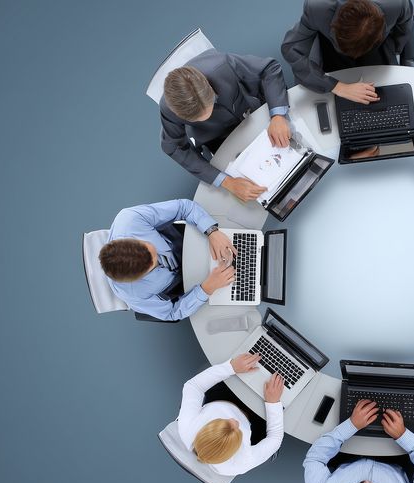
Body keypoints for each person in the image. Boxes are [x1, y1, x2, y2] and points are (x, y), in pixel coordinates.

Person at [159, 50, 291, 202]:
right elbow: (174, 148)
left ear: (210, 87)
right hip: (216, 140)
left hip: (251, 114)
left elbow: (268, 69)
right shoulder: (167, 109)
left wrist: (278, 116)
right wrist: (228, 183)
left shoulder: (222, 65)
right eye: (199, 118)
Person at [100, 199, 235, 321]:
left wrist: (211, 231)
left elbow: (184, 207)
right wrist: (206, 289)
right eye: (153, 265)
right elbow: (172, 313)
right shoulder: (133, 296)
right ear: (138, 278)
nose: (156, 253)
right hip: (192, 283)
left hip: (192, 241)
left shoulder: (129, 220)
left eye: (148, 246)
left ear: (130, 239)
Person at [282, 0, 414, 103]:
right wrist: (337, 87)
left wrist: (405, 67)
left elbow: (406, 27)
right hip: (330, 49)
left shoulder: (396, 4)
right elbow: (290, 48)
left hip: (376, 47)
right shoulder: (317, 7)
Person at [178, 353, 285, 475]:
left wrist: (231, 367)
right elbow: (275, 438)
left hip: (222, 398)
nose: (235, 421)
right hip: (253, 422)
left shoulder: (187, 427)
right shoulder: (240, 463)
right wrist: (273, 403)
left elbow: (193, 386)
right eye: (237, 430)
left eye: (224, 421)